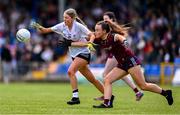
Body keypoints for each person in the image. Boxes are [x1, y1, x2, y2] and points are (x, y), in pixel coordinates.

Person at [31, 8, 108, 105]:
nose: (64, 20)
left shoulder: (79, 26)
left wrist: (89, 44)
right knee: (92, 80)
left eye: (66, 18)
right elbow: (46, 30)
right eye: (64, 17)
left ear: (72, 18)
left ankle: (75, 98)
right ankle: (108, 95)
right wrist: (38, 27)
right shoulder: (62, 26)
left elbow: (92, 35)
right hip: (74, 55)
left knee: (70, 71)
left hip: (84, 53)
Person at [92, 21, 173, 108]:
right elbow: (89, 35)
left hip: (130, 61)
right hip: (122, 64)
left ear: (104, 31)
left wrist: (125, 41)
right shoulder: (98, 39)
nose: (95, 32)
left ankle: (166, 93)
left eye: (97, 30)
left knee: (143, 86)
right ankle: (107, 103)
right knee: (107, 80)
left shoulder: (112, 36)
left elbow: (120, 37)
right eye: (95, 30)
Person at [94, 11, 143, 101]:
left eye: (106, 19)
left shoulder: (112, 30)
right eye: (103, 19)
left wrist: (124, 41)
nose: (104, 21)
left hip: (116, 55)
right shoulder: (103, 29)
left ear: (112, 20)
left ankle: (107, 96)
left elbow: (122, 37)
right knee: (118, 74)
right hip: (113, 54)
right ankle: (136, 91)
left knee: (106, 75)